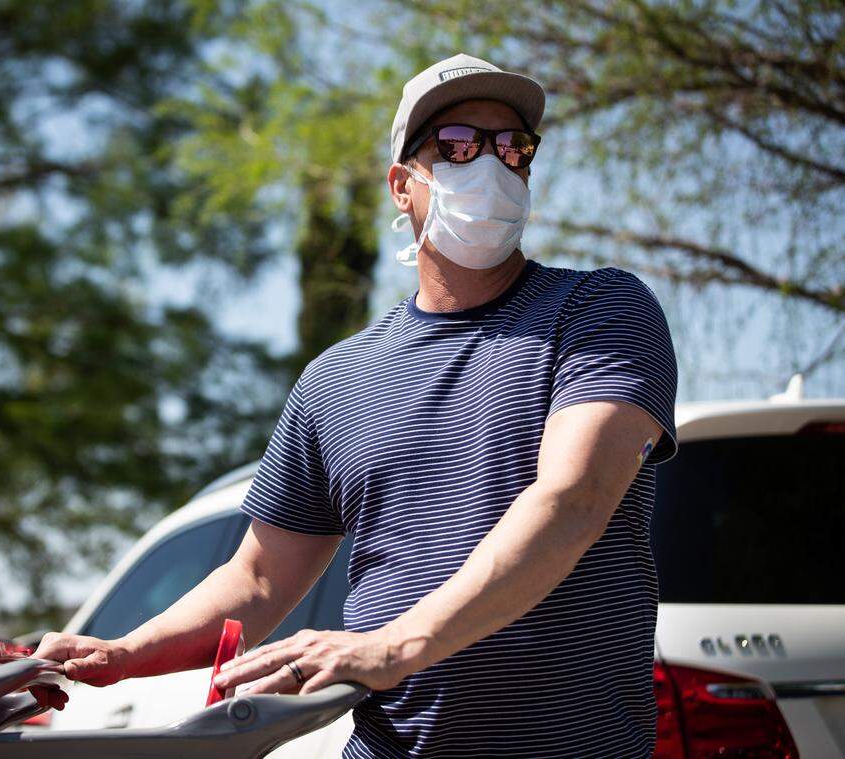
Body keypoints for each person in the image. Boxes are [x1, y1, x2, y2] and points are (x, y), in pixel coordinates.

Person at [35, 52, 679, 757]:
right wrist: (126, 652)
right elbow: (256, 577)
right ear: (402, 186)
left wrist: (395, 644)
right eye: (458, 145)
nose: (491, 164)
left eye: (512, 147)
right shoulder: (334, 380)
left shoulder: (599, 310)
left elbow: (573, 498)